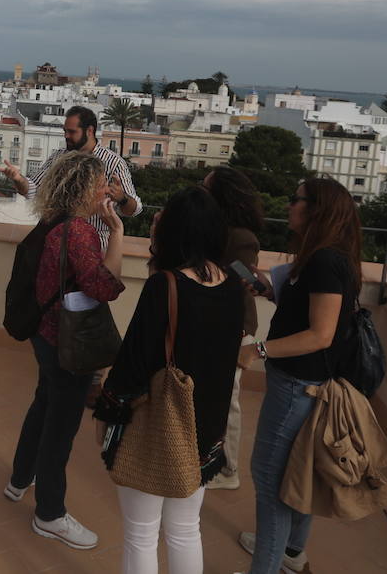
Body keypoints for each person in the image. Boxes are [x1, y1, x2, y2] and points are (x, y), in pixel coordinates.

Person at [97, 187, 244, 574]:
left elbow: (134, 362)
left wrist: (108, 412)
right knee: (184, 529)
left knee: (141, 533)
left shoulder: (166, 285)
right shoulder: (233, 287)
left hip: (159, 426)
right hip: (203, 429)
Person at [234, 177, 362, 574]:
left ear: (316, 209)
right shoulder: (326, 257)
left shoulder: (324, 261)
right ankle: (290, 552)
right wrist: (271, 290)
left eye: (296, 200)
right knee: (298, 469)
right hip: (306, 385)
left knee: (269, 480)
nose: (289, 206)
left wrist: (257, 350)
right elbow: (312, 312)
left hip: (296, 386)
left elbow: (320, 334)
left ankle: (267, 566)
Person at [6, 150, 126, 550]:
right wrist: (118, 233)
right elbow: (106, 286)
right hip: (67, 344)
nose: (106, 190)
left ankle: (19, 478)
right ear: (84, 188)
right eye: (101, 185)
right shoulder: (78, 232)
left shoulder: (51, 221)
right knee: (61, 427)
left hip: (45, 334)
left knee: (43, 405)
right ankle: (50, 515)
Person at [0, 105, 142, 251]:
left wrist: (122, 198)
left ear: (90, 131)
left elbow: (134, 209)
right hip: (57, 243)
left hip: (94, 246)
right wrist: (18, 179)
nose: (66, 136)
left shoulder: (113, 163)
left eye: (72, 132)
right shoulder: (60, 157)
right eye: (65, 131)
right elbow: (34, 188)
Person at [201, 167, 264, 490]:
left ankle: (228, 470)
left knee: (227, 401)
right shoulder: (215, 229)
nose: (201, 191)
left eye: (206, 187)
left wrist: (238, 337)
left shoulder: (241, 238)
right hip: (215, 325)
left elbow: (243, 286)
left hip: (233, 328)